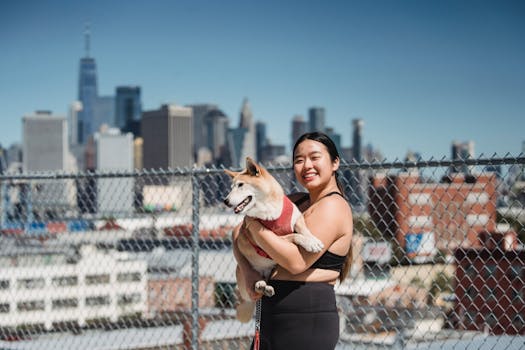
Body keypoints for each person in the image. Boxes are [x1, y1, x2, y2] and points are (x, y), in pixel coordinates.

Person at [232, 131, 353, 350]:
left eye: (315, 157)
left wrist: (255, 227)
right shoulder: (297, 201)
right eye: (299, 160)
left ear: (335, 163)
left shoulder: (333, 206)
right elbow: (237, 233)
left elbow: (295, 262)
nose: (307, 165)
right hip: (272, 317)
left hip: (305, 321)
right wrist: (247, 270)